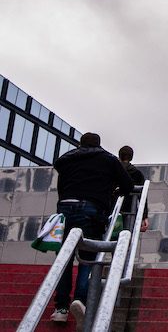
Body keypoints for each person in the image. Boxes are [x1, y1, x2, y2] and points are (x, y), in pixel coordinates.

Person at [51, 132, 135, 325]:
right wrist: (113, 191)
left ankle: (61, 308)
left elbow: (61, 186)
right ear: (99, 144)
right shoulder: (107, 160)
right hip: (91, 209)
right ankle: (80, 301)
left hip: (65, 208)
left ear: (80, 144)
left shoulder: (68, 160)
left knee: (64, 258)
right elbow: (128, 185)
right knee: (87, 258)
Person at [117, 145, 148, 233]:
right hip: (129, 209)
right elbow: (142, 196)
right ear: (131, 157)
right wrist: (144, 216)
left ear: (119, 155)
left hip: (112, 207)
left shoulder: (113, 169)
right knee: (127, 233)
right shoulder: (137, 173)